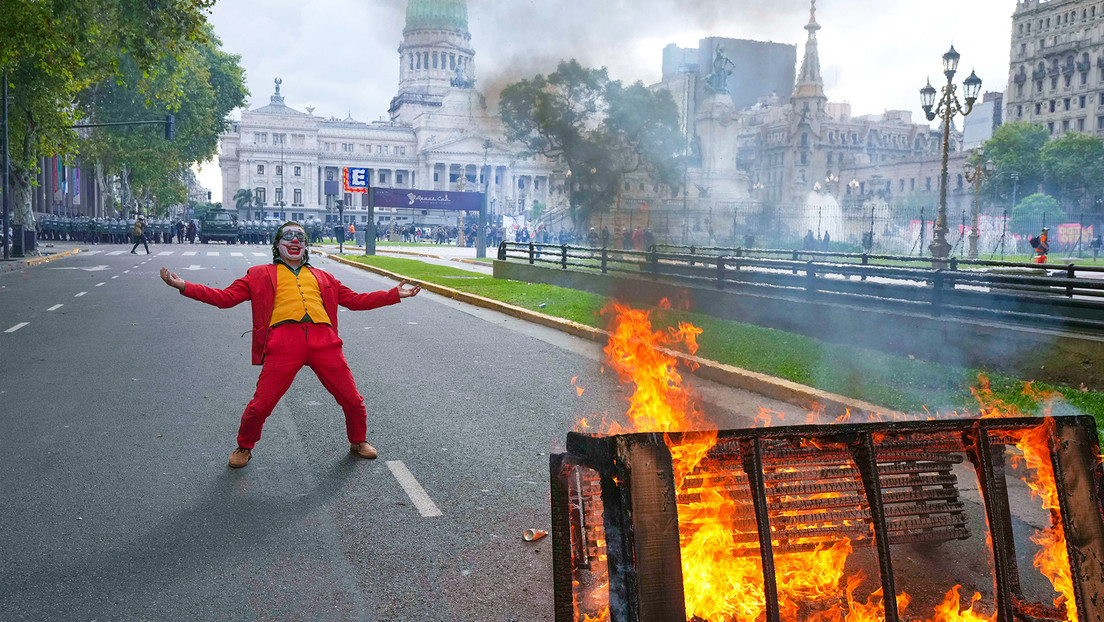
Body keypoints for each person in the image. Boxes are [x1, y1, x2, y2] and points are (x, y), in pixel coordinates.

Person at [158, 222, 422, 468]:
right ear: (277, 245)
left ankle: (358, 440)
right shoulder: (259, 274)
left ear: (306, 245)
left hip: (324, 341)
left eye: (301, 237)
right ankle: (244, 446)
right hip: (283, 341)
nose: (295, 240)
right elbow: (225, 298)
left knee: (352, 399)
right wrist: (184, 286)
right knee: (261, 404)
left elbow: (354, 300)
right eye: (288, 236)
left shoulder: (324, 277)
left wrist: (392, 295)